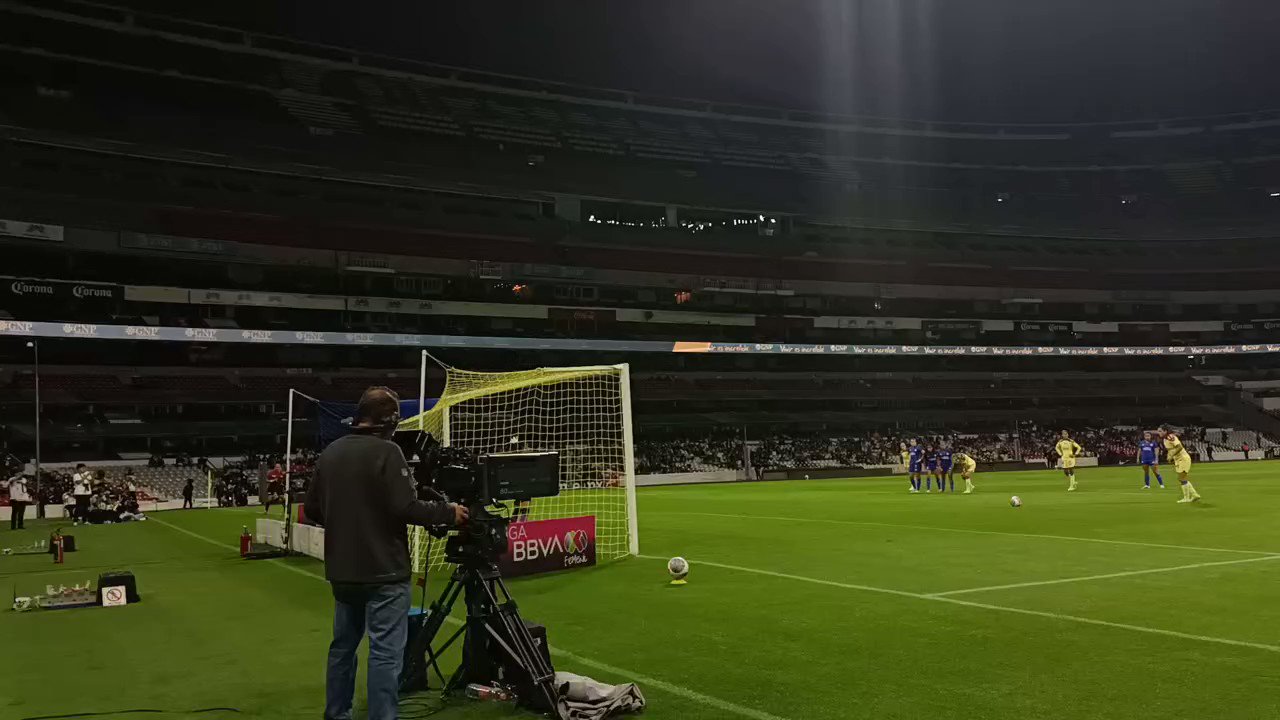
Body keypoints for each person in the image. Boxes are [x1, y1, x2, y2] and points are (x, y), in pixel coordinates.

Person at [304, 387, 468, 720]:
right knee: (384, 654)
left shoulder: (331, 452)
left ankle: (336, 714)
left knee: (342, 648)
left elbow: (312, 509)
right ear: (390, 421)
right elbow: (404, 506)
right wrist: (449, 513)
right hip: (384, 572)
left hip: (343, 572)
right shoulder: (388, 452)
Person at [1160, 426, 1200, 504]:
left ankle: (1187, 497)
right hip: (1178, 460)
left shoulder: (1170, 437)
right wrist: (1169, 456)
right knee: (1182, 478)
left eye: (1160, 431)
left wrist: (1171, 455)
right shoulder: (1165, 439)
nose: (1159, 433)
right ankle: (1194, 495)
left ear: (1165, 431)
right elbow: (1170, 449)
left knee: (1182, 478)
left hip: (1183, 459)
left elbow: (1179, 447)